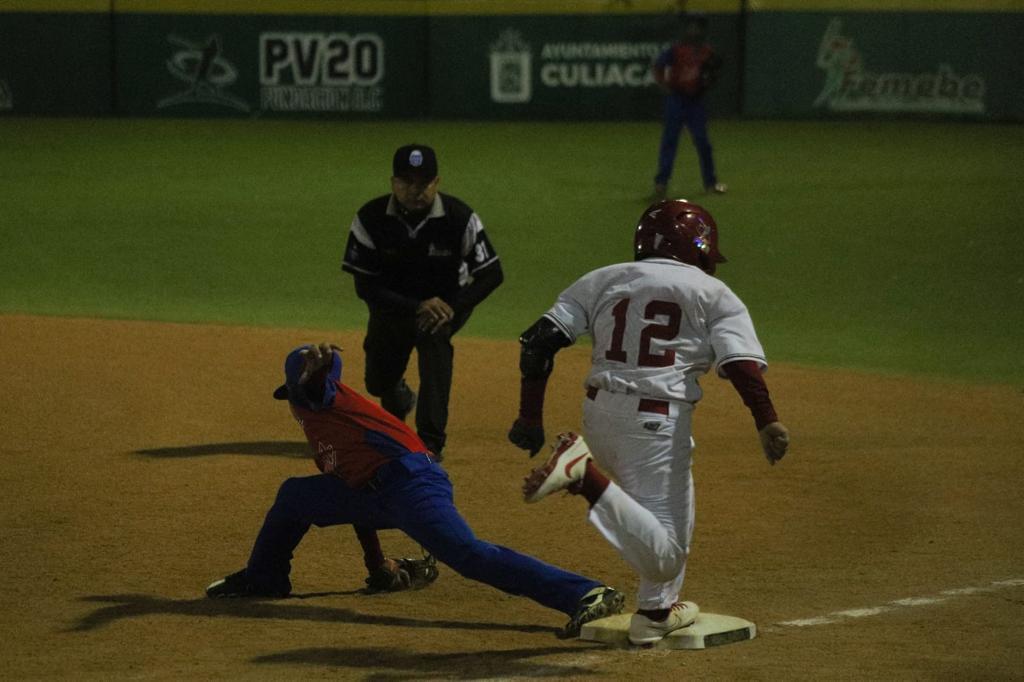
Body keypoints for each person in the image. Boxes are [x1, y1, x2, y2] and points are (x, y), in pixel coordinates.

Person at [507, 199, 790, 645]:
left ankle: (656, 612)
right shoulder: (713, 293)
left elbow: (538, 343)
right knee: (666, 555)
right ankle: (582, 475)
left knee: (674, 522)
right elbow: (741, 366)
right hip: (655, 426)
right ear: (699, 245)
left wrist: (529, 415)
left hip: (599, 414)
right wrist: (766, 420)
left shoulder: (601, 279)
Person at [206, 343, 624, 639]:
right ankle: (265, 579)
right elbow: (350, 492)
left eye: (306, 385)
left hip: (412, 484)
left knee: (466, 553)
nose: (297, 399)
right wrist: (378, 567)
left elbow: (318, 391)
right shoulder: (317, 426)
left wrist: (318, 375)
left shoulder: (330, 401)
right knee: (294, 497)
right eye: (294, 390)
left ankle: (584, 592)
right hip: (376, 492)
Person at [342, 144, 503, 460]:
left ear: (437, 182)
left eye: (424, 182)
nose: (416, 190)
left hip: (446, 308)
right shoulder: (370, 218)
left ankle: (429, 443)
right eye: (407, 181)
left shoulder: (459, 217)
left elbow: (492, 273)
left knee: (435, 338)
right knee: (377, 381)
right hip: (392, 307)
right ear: (393, 183)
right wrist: (415, 306)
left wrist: (452, 307)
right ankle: (398, 398)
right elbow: (365, 286)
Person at [651, 13, 726, 199]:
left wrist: (709, 82)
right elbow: (658, 65)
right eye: (691, 26)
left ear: (702, 30)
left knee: (703, 142)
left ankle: (710, 183)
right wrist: (663, 85)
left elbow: (712, 76)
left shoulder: (707, 52)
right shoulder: (676, 50)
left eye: (697, 27)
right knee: (670, 140)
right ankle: (661, 183)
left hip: (695, 102)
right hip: (676, 98)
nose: (693, 30)